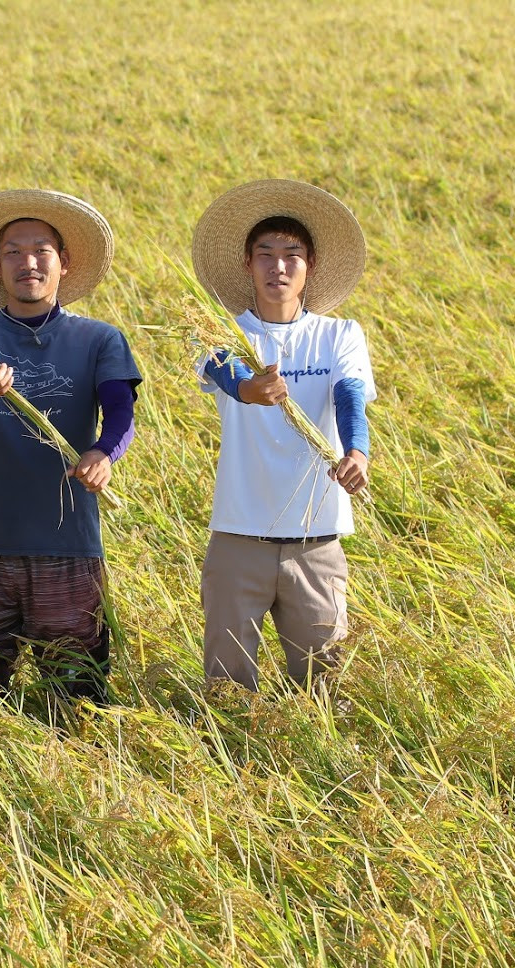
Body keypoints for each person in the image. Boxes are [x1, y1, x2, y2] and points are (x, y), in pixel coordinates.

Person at [0, 190, 142, 704]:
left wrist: (103, 453)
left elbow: (120, 412)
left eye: (41, 250)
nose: (28, 263)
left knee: (78, 695)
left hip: (67, 547)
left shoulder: (100, 340)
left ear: (63, 263)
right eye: (13, 252)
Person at [191, 179, 375, 691]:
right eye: (266, 255)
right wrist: (250, 389)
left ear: (309, 267)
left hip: (316, 538)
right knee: (226, 686)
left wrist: (357, 451)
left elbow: (350, 396)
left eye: (292, 256)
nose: (278, 267)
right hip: (237, 534)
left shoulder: (340, 334)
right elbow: (223, 376)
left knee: (325, 687)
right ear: (248, 264)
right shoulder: (218, 332)